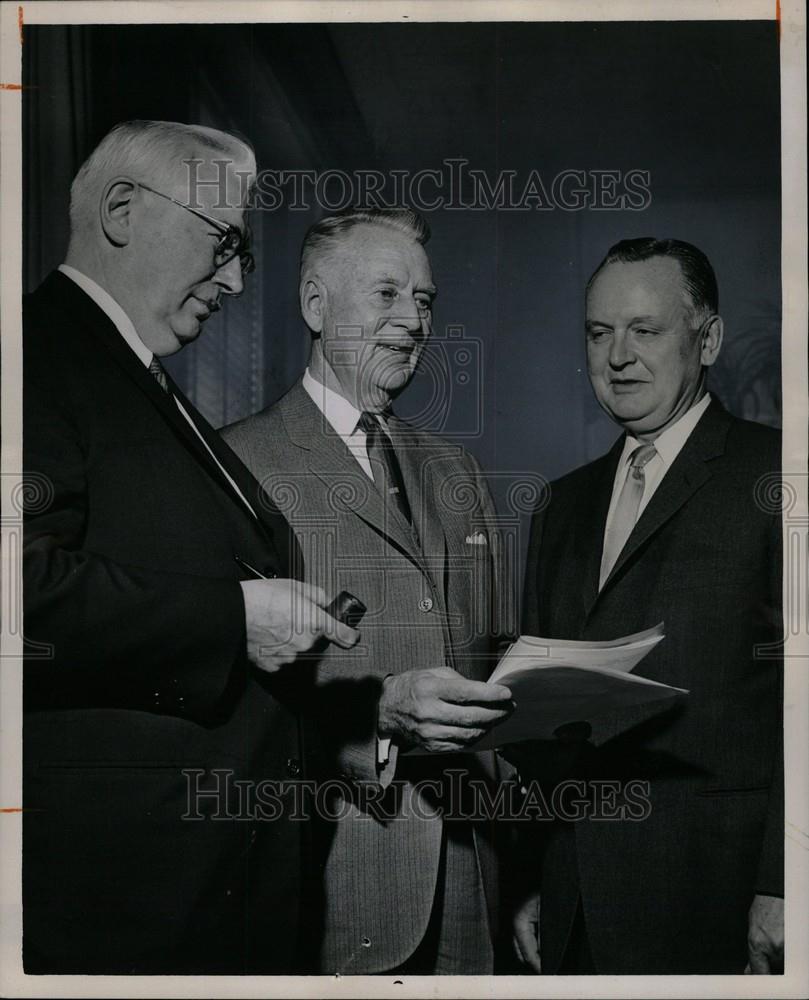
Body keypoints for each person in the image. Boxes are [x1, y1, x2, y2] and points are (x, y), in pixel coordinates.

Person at [22, 119, 357, 974]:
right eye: (223, 242)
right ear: (124, 211)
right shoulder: (31, 355)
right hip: (123, 908)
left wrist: (369, 708)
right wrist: (234, 615)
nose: (240, 279)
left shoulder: (134, 375)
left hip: (208, 894)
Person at [223, 208, 515, 974]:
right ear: (315, 305)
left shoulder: (458, 474)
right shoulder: (235, 465)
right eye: (385, 294)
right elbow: (231, 702)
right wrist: (376, 720)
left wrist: (519, 878)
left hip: (473, 887)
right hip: (336, 886)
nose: (412, 321)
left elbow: (495, 666)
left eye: (423, 300)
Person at [513, 237, 783, 975]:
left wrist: (781, 886)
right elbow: (544, 721)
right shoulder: (560, 507)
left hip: (717, 902)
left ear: (709, 339)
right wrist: (534, 876)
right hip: (574, 905)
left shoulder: (776, 476)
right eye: (599, 333)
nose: (618, 356)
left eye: (645, 330)